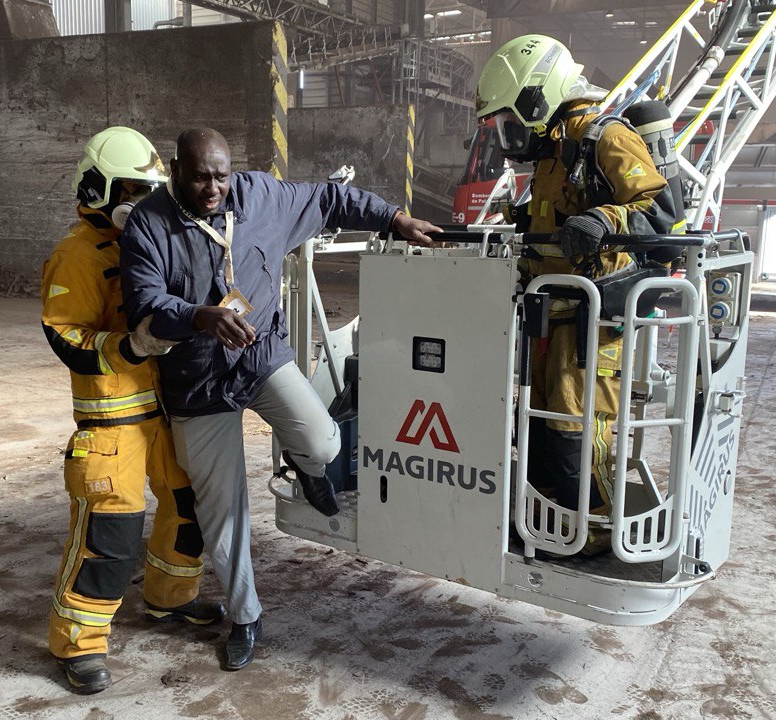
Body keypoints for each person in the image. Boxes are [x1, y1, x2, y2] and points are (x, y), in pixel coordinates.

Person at [120, 127, 441, 671]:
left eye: (221, 176)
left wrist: (394, 218)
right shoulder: (149, 223)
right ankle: (245, 615)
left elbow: (329, 197)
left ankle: (306, 463)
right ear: (176, 169)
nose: (212, 188)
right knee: (224, 509)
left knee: (323, 442)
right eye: (199, 176)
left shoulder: (260, 196)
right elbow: (145, 303)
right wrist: (200, 316)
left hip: (260, 353)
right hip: (198, 377)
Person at [475, 35, 680, 554]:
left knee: (578, 424)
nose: (510, 134)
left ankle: (592, 529)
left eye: (511, 120)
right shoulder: (553, 152)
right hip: (548, 313)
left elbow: (661, 213)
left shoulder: (604, 138)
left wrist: (604, 217)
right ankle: (546, 522)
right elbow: (550, 217)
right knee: (536, 420)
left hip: (591, 320)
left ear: (537, 99)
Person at [40, 127, 224, 693]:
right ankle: (79, 643)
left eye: (148, 191)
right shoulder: (76, 254)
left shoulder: (148, 240)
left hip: (161, 414)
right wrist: (130, 347)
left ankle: (170, 599)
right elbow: (64, 334)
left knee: (187, 507)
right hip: (109, 424)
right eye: (128, 191)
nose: (139, 204)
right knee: (108, 536)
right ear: (96, 187)